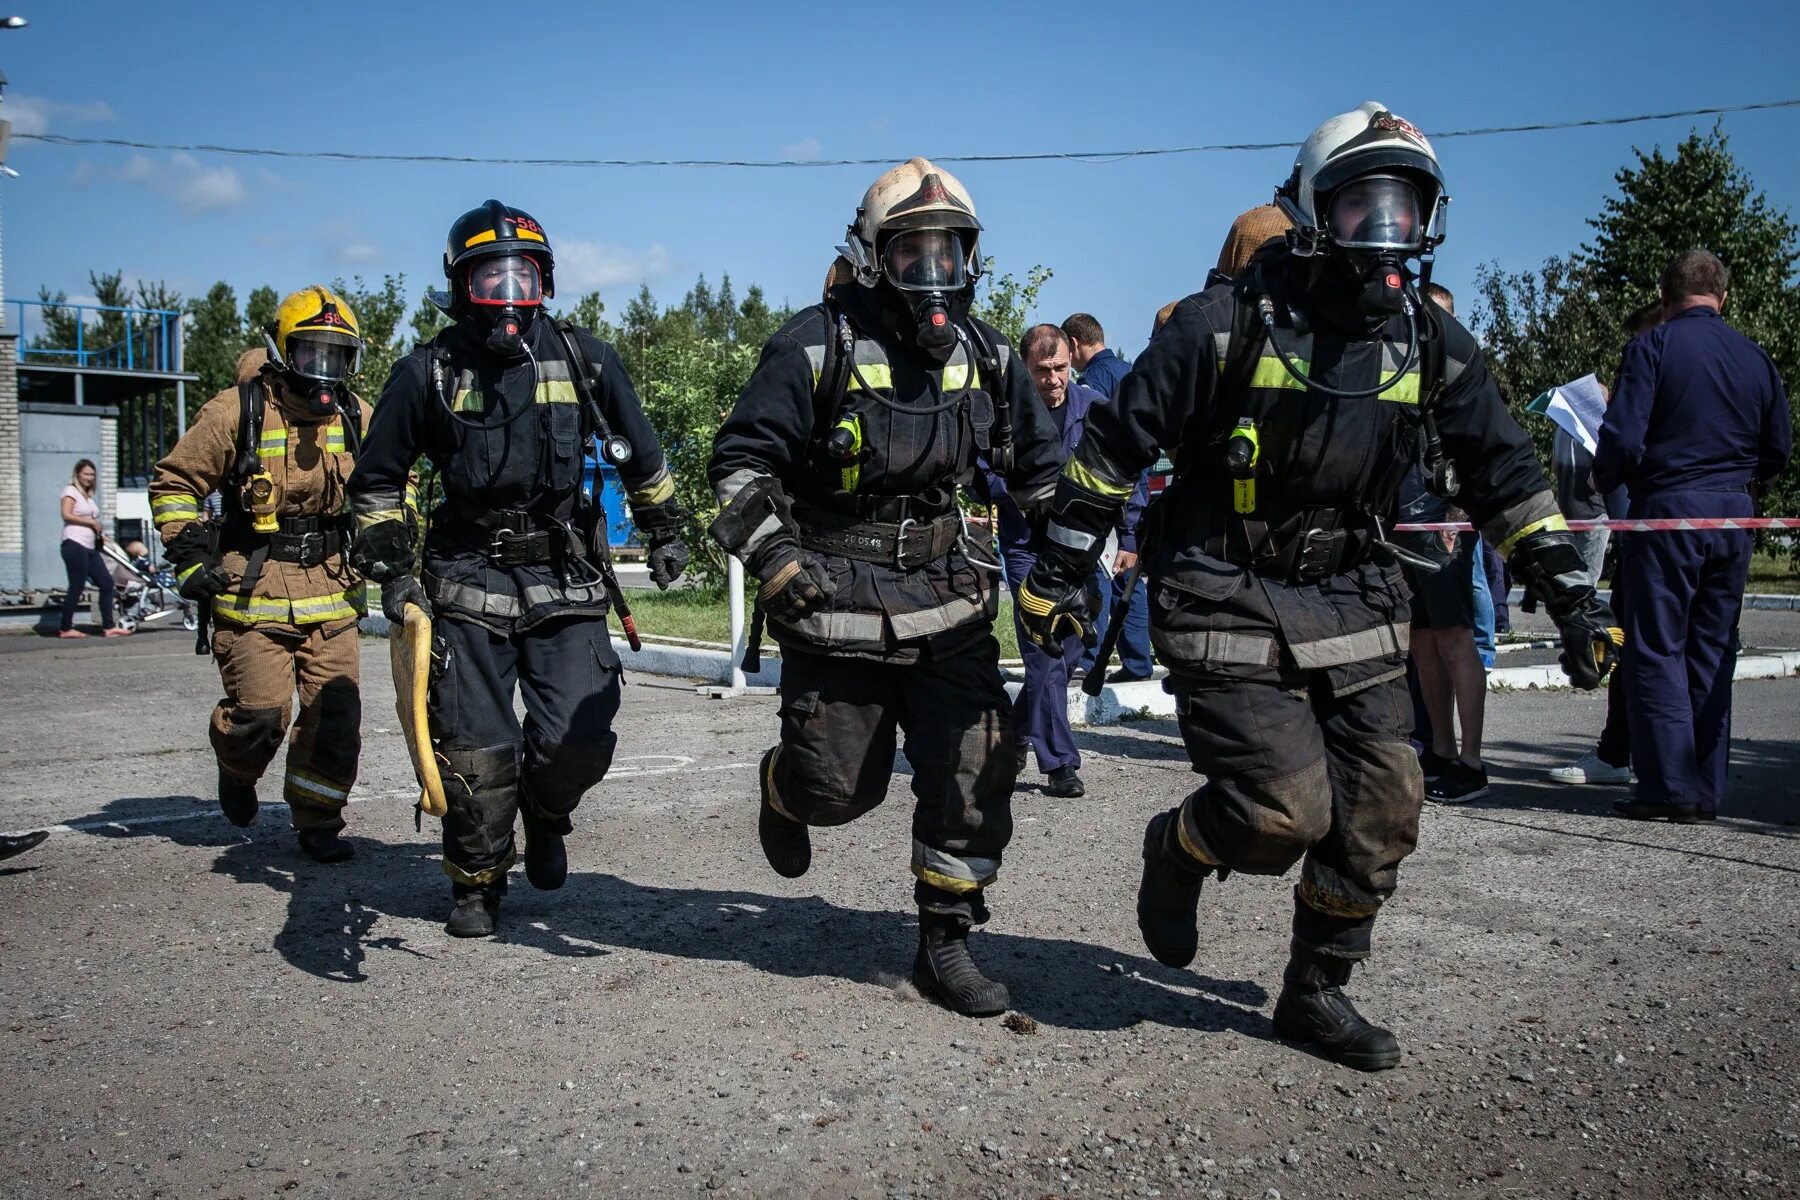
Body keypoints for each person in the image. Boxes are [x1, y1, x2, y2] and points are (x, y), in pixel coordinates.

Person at [1016, 102, 1620, 1070]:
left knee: (1385, 808)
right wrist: (1057, 576)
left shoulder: (1428, 342)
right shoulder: (1222, 328)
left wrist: (1573, 592)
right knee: (1282, 812)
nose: (1385, 233)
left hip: (1354, 591)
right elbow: (1112, 449)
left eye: (1405, 209)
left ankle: (1316, 992)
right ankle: (1180, 846)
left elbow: (1504, 468)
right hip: (1223, 585)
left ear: (1431, 219)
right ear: (1309, 214)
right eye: (1360, 208)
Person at [708, 158, 1062, 1016]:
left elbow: (1042, 471)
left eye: (950, 255)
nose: (934, 276)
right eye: (914, 256)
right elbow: (739, 463)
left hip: (948, 594)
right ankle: (784, 789)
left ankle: (944, 940)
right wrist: (778, 562)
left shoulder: (987, 352)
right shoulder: (811, 345)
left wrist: (1067, 568)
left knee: (979, 763)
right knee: (838, 792)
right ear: (874, 257)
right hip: (834, 602)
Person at [349, 200, 688, 937]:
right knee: (477, 750)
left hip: (565, 579)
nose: (507, 296)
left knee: (581, 737)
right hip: (466, 579)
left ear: (545, 283)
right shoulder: (426, 373)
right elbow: (377, 482)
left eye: (522, 277)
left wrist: (665, 528)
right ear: (458, 283)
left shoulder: (585, 357)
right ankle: (476, 884)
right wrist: (391, 569)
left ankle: (548, 809)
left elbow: (644, 453)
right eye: (489, 278)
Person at [150, 286, 371, 862]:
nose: (324, 370)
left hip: (333, 588)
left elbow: (395, 481)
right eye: (310, 354)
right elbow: (175, 483)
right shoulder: (234, 411)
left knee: (334, 717)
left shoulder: (357, 416)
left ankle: (318, 820)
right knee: (260, 717)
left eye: (337, 356)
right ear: (282, 354)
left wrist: (390, 535)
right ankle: (236, 766)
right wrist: (191, 555)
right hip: (253, 591)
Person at [1596, 250, 1790, 822]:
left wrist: (1605, 475)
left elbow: (1625, 439)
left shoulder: (1651, 347)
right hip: (1734, 517)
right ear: (1722, 297)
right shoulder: (1756, 357)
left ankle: (1668, 788)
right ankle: (1706, 788)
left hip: (1666, 513)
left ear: (1665, 296)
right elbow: (1777, 447)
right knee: (1713, 649)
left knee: (1657, 649)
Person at [1551, 301, 1664, 786]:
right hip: (1653, 528)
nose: (1637, 351)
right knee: (1638, 638)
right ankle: (1627, 754)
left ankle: (1649, 764)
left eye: (1643, 338)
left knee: (1654, 643)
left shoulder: (1665, 382)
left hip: (1661, 526)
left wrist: (1604, 471)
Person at [993, 324, 1105, 799]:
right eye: (1043, 371)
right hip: (1026, 550)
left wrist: (1132, 536)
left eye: (1060, 368)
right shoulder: (1005, 413)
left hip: (1081, 551)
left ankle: (1016, 733)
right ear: (1026, 369)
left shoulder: (1093, 409)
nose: (1054, 379)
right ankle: (1060, 764)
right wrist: (1021, 489)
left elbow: (1128, 470)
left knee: (1075, 645)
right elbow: (981, 474)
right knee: (1045, 650)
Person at [1401, 283, 1489, 804]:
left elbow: (1480, 454)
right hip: (1405, 530)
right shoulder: (1406, 369)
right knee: (1421, 643)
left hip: (1445, 529)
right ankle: (1441, 748)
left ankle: (1472, 761)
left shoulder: (1463, 375)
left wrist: (1457, 518)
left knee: (1456, 640)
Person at [1061, 314, 1153, 683]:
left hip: (1107, 490)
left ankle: (1089, 658)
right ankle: (1137, 663)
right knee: (1129, 580)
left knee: (1098, 575)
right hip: (1137, 486)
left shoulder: (1093, 381)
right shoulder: (1128, 372)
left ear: (1073, 343)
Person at [57, 459, 128, 639]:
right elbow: (66, 514)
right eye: (86, 474)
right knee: (77, 586)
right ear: (77, 474)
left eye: (92, 475)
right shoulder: (70, 491)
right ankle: (66, 628)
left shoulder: (87, 495)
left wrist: (101, 536)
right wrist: (90, 522)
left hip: (90, 547)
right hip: (74, 545)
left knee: (106, 584)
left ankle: (109, 626)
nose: (89, 477)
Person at [1061, 313, 1129, 398]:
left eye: (1064, 349)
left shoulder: (1091, 378)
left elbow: (1082, 410)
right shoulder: (1131, 369)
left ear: (1073, 343)